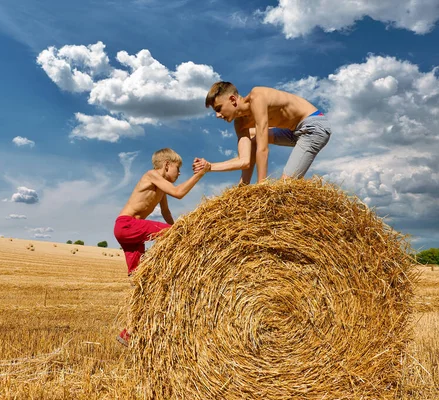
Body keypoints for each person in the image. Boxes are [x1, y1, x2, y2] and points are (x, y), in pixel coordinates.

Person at [114, 147, 209, 346]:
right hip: (127, 224)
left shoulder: (161, 186)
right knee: (173, 235)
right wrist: (199, 175)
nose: (180, 172)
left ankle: (129, 332)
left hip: (130, 233)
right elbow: (179, 193)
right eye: (178, 168)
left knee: (140, 282)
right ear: (166, 165)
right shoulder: (151, 176)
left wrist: (176, 232)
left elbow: (165, 213)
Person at [193, 81, 331, 183]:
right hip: (292, 132)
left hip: (312, 127)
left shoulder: (257, 97)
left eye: (218, 108)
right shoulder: (240, 123)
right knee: (253, 140)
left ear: (233, 99)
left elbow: (263, 149)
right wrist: (210, 166)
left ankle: (262, 187)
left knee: (285, 187)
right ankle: (243, 189)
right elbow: (244, 160)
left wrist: (261, 187)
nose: (218, 115)